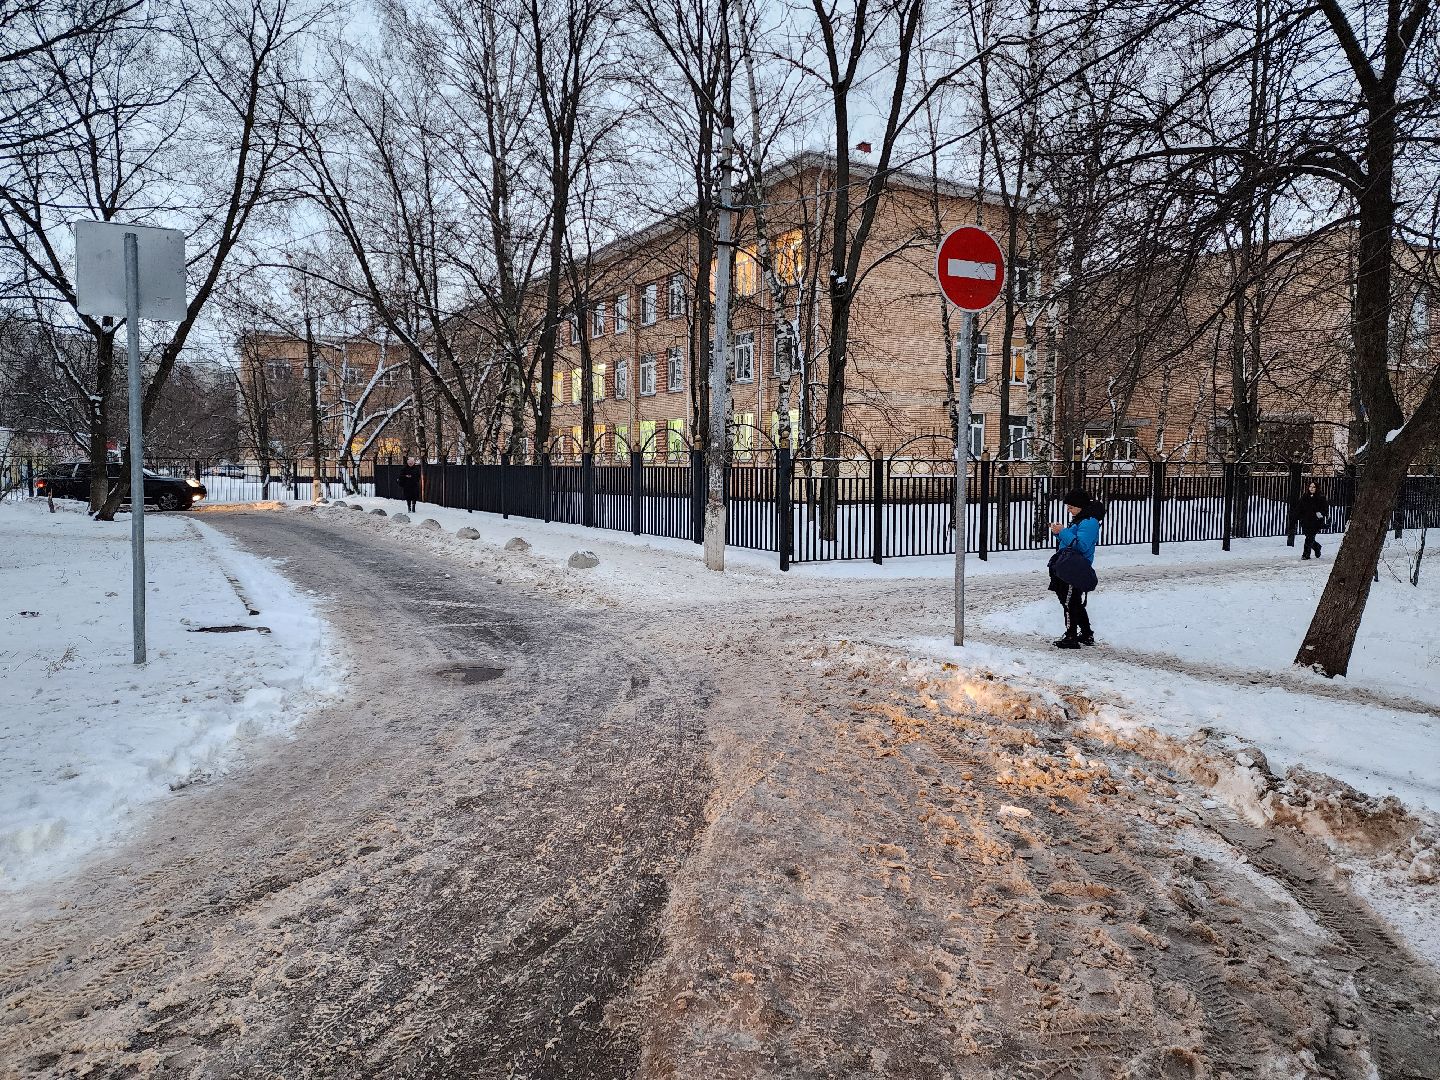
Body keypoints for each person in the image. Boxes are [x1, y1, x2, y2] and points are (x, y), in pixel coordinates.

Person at [1048, 487, 1101, 649]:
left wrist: (1063, 531)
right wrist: (1059, 532)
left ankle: (1071, 636)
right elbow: (1071, 541)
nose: (1069, 510)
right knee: (1074, 602)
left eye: (1071, 507)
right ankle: (1086, 634)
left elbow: (1081, 546)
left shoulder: (1089, 522)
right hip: (1069, 566)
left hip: (1074, 568)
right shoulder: (1081, 519)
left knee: (1069, 602)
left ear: (1080, 505)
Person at [1296, 479, 1328, 559]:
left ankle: (1306, 555)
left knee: (1309, 537)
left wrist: (1319, 514)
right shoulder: (1304, 497)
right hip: (1305, 521)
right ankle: (1317, 547)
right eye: (1310, 486)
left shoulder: (1321, 498)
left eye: (1314, 487)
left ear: (1317, 488)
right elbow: (1299, 508)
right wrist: (1298, 517)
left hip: (1315, 522)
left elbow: (1325, 509)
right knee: (1309, 537)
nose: (1311, 488)